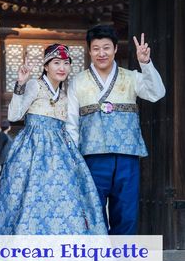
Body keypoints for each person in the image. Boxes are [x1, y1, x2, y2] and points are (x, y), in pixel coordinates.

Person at [0, 44, 107, 235]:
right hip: (33, 150)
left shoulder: (65, 95)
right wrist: (20, 84)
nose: (62, 68)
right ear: (45, 66)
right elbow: (14, 114)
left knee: (64, 198)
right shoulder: (35, 85)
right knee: (29, 198)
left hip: (61, 152)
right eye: (56, 63)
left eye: (66, 63)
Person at [66, 25, 166, 235]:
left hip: (126, 155)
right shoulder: (78, 81)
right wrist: (73, 158)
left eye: (106, 48)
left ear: (115, 49)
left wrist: (145, 63)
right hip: (91, 157)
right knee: (93, 211)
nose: (101, 53)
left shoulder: (132, 77)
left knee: (126, 213)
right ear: (89, 51)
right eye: (96, 48)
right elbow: (71, 124)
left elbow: (157, 93)